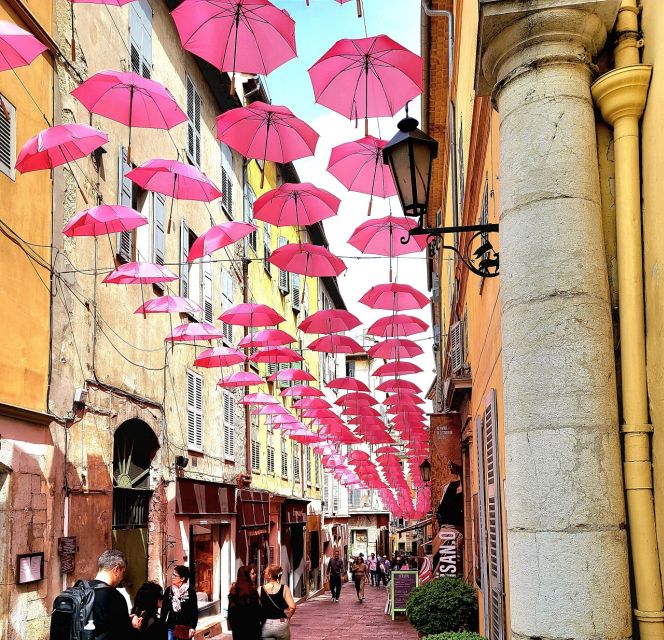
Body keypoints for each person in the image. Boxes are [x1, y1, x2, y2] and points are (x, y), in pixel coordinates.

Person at [88, 549, 142, 639]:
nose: (122, 577)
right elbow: (126, 636)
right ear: (117, 570)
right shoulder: (114, 597)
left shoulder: (81, 589)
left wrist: (123, 619)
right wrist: (136, 627)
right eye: (122, 572)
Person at [259, 564, 296, 640]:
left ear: (269, 575)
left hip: (266, 624)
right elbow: (292, 607)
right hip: (281, 623)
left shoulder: (260, 589)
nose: (263, 573)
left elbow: (257, 607)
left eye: (265, 572)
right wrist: (288, 618)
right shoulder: (284, 588)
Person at [162, 565, 198, 640]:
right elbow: (164, 610)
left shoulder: (190, 591)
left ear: (182, 578)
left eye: (175, 575)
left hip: (185, 627)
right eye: (172, 575)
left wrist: (192, 627)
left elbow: (194, 611)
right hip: (171, 626)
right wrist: (162, 625)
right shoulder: (169, 590)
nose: (172, 577)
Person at [227, 566, 262, 640]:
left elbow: (231, 611)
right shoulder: (252, 591)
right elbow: (257, 610)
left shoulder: (234, 590)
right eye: (252, 573)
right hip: (253, 628)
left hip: (238, 629)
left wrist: (234, 626)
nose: (255, 575)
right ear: (246, 575)